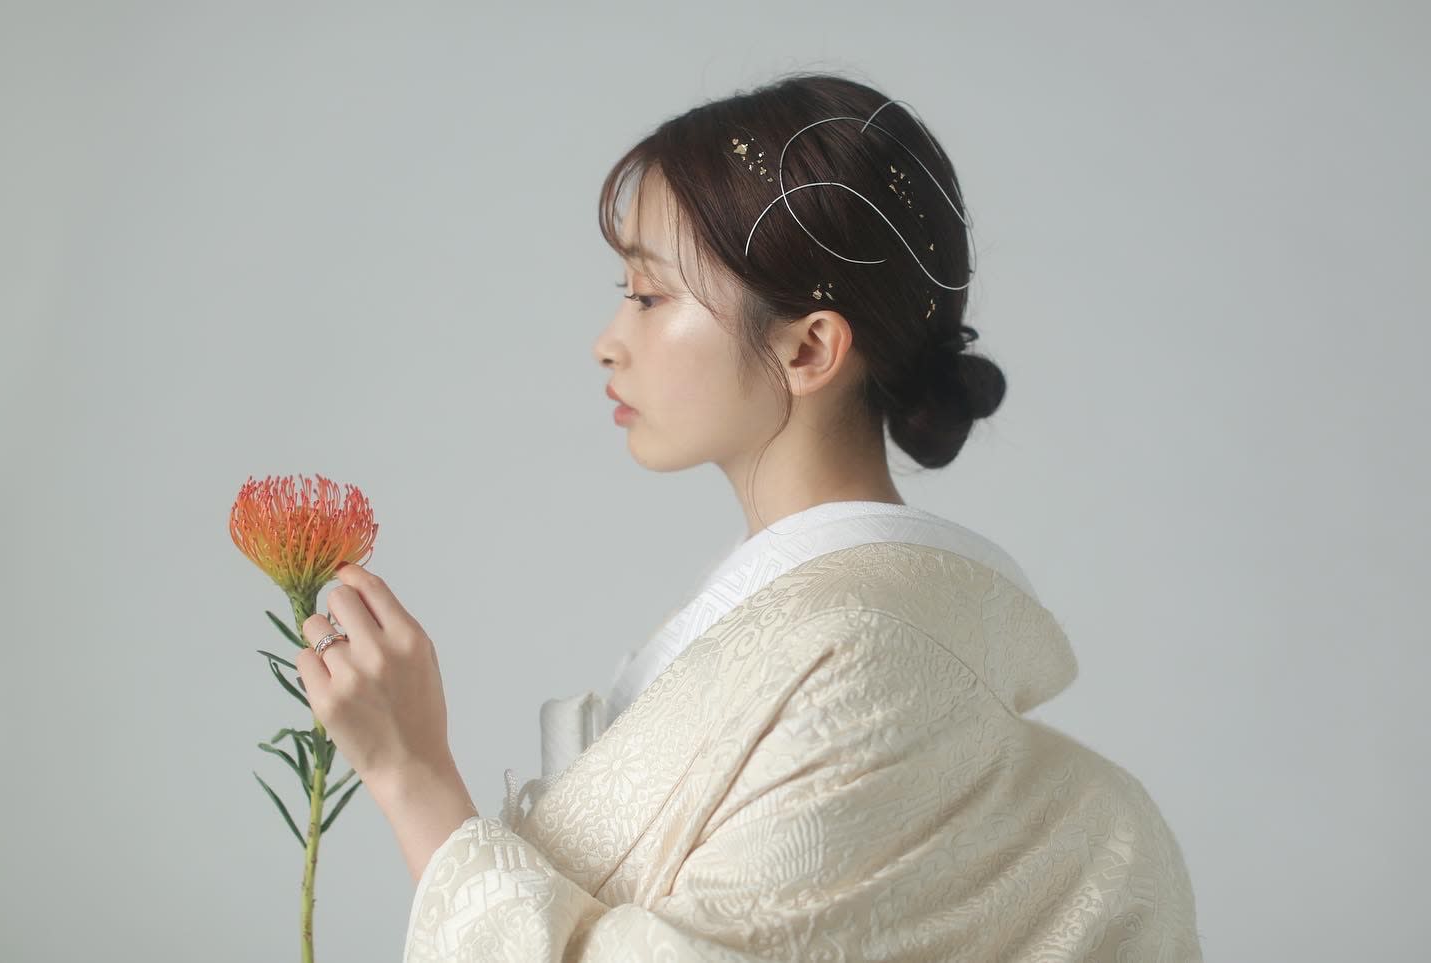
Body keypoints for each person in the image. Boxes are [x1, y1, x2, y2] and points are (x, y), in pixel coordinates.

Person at [401, 71, 1204, 961]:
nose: (607, 340)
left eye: (649, 296)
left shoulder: (865, 661)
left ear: (810, 346)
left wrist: (412, 776)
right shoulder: (810, 627)